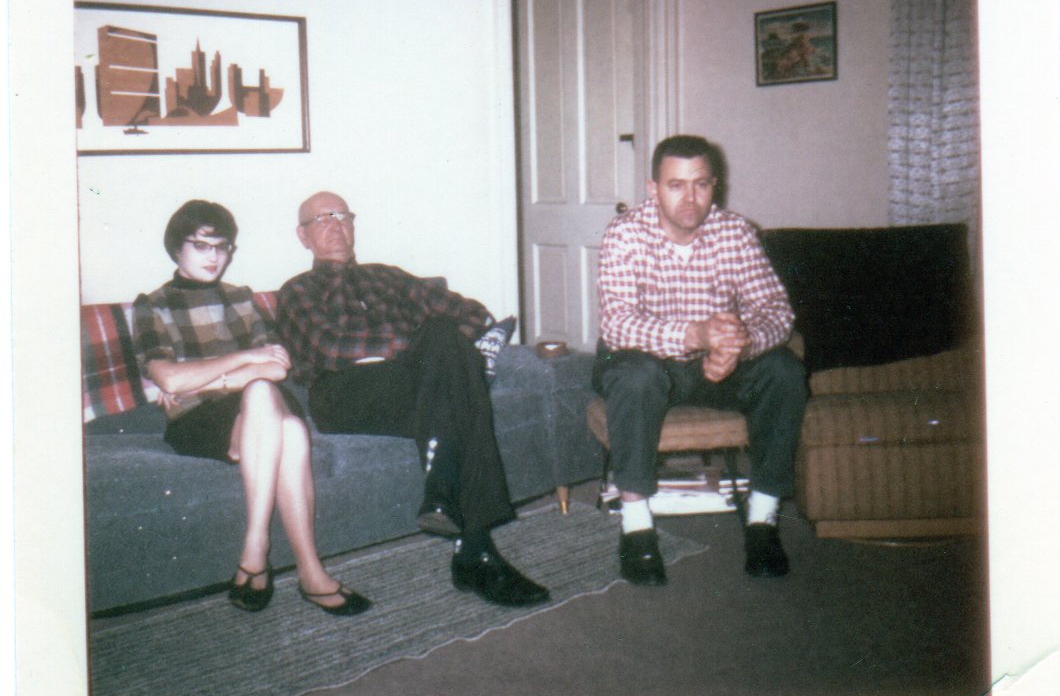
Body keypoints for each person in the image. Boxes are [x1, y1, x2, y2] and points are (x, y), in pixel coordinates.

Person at [275, 190, 549, 608]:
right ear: (303, 236)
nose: (335, 225)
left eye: (343, 216)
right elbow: (329, 348)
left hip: (417, 384)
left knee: (445, 347)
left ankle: (461, 527)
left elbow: (474, 315)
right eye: (322, 219)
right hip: (344, 392)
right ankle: (469, 542)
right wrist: (414, 347)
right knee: (448, 360)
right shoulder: (297, 291)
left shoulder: (390, 277)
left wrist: (435, 348)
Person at [133, 199, 369, 617]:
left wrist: (201, 379)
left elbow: (276, 367)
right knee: (289, 430)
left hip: (258, 402)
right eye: (201, 246)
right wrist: (244, 358)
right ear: (176, 249)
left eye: (221, 247)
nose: (213, 256)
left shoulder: (241, 299)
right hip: (200, 420)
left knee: (263, 393)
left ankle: (257, 552)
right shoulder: (155, 305)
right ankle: (307, 572)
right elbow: (167, 378)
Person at [593, 135, 808, 584]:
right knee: (635, 376)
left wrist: (739, 346)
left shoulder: (736, 232)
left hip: (718, 365)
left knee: (784, 370)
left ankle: (762, 520)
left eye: (701, 184)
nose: (690, 199)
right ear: (653, 189)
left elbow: (775, 311)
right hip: (647, 362)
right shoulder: (625, 233)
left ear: (715, 186)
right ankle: (636, 528)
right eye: (676, 185)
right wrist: (696, 335)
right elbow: (617, 323)